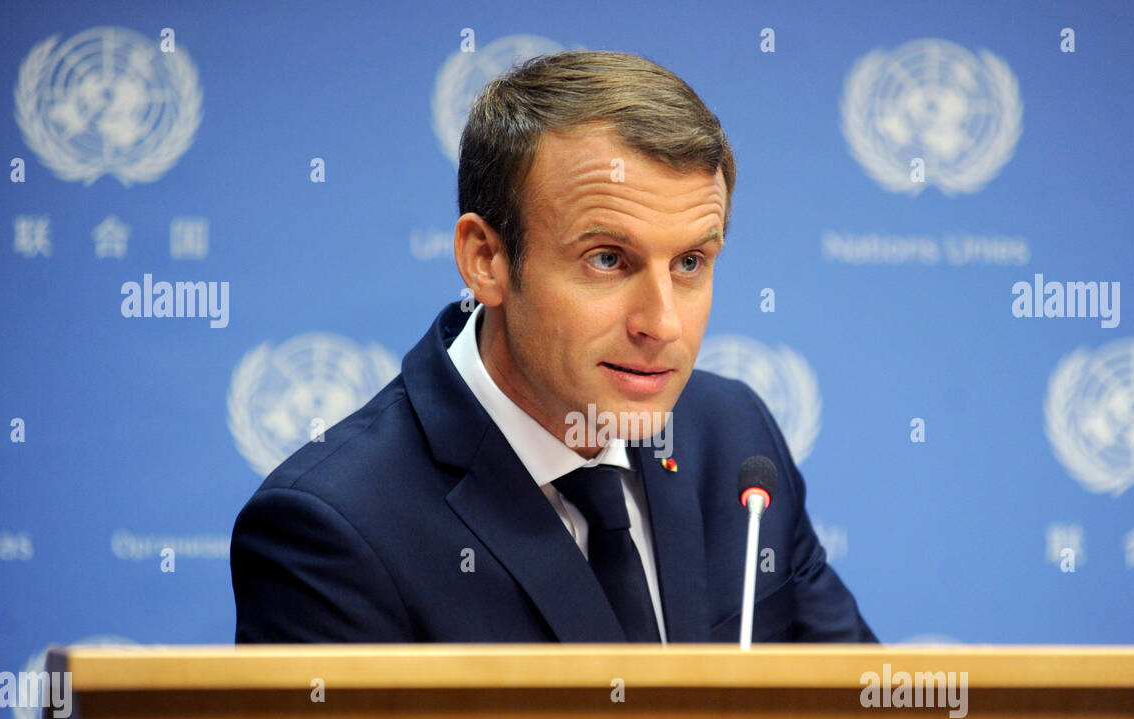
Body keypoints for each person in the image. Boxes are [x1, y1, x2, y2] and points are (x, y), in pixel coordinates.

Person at [231, 50, 876, 644]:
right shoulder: (334, 530)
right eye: (607, 258)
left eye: (689, 263)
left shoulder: (732, 437)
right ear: (486, 259)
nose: (663, 325)